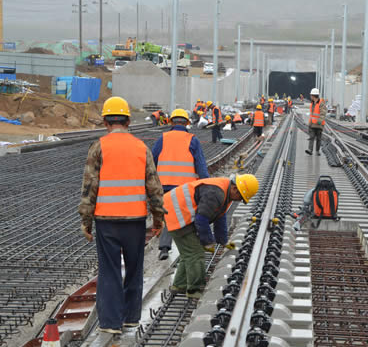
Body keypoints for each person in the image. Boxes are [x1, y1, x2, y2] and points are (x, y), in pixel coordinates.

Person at [78, 97, 165, 334]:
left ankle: (110, 323)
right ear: (127, 121)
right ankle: (130, 319)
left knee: (110, 270)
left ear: (106, 121)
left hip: (106, 221)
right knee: (135, 270)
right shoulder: (141, 148)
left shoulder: (98, 147)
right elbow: (154, 187)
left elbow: (89, 187)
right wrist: (158, 219)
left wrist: (86, 221)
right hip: (135, 221)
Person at [163, 174, 259, 298]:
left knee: (188, 252)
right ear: (235, 188)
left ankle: (179, 285)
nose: (240, 200)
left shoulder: (225, 192)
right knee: (195, 253)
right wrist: (208, 242)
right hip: (175, 213)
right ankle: (194, 290)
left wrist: (223, 241)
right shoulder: (216, 193)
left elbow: (220, 216)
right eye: (241, 196)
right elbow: (201, 219)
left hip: (178, 212)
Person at [152, 109, 210, 261]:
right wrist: (206, 183)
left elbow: (152, 160)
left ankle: (165, 247)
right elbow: (201, 166)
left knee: (168, 215)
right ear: (187, 123)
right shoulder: (192, 140)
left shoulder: (163, 138)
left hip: (164, 186)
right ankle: (189, 249)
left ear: (171, 122)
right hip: (185, 188)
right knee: (187, 217)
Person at [306, 88, 326, 156]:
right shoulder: (312, 103)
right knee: (311, 137)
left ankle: (317, 151)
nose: (310, 96)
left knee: (318, 138)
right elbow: (312, 115)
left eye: (311, 95)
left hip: (318, 125)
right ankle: (310, 150)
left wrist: (319, 122)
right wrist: (309, 124)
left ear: (313, 96)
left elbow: (323, 114)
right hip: (312, 124)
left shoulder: (321, 103)